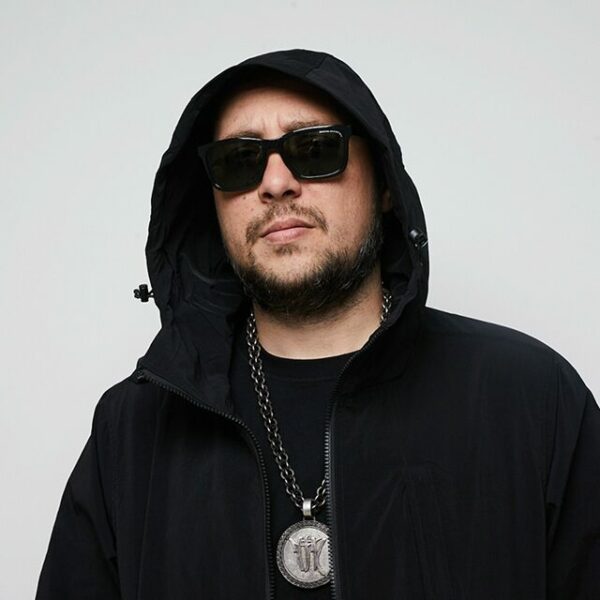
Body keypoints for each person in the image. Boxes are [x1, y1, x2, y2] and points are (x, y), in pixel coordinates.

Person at [36, 49, 599, 599]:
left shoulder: (531, 397)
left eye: (314, 148)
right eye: (239, 160)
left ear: (383, 185)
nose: (275, 183)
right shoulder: (134, 429)